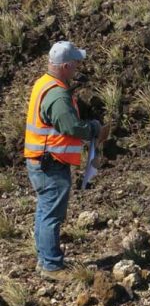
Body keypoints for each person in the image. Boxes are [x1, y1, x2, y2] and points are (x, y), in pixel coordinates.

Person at [23, 41, 109, 280]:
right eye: (76, 63)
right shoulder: (58, 94)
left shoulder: (44, 83)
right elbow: (71, 126)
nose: (78, 67)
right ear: (66, 66)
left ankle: (46, 259)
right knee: (52, 214)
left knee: (45, 210)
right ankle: (51, 266)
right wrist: (94, 128)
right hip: (50, 162)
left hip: (42, 160)